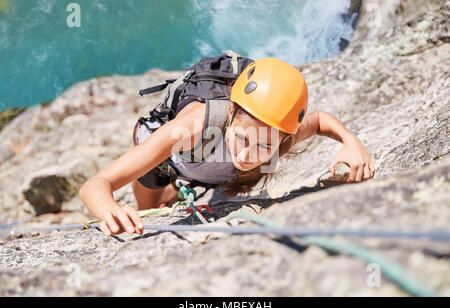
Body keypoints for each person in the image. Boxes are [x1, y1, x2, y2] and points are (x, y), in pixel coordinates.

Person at [79, 57, 375, 237]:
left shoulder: (282, 136)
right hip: (167, 158)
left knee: (215, 175)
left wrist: (351, 141)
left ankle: (177, 190)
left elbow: (319, 120)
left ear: (283, 138)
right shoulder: (191, 128)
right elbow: (97, 184)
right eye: (243, 138)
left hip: (206, 165)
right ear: (230, 116)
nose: (247, 156)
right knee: (147, 208)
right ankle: (165, 195)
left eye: (264, 145)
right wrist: (110, 209)